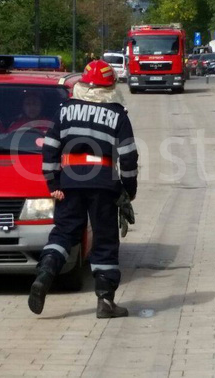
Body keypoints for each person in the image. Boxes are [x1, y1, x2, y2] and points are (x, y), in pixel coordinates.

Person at [28, 59, 139, 319]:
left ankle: (44, 274)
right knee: (105, 239)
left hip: (69, 182)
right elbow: (128, 157)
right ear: (110, 87)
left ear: (82, 85)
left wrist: (53, 183)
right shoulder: (118, 114)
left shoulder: (64, 110)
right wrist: (128, 189)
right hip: (103, 184)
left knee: (64, 233)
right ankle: (105, 302)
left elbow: (49, 148)